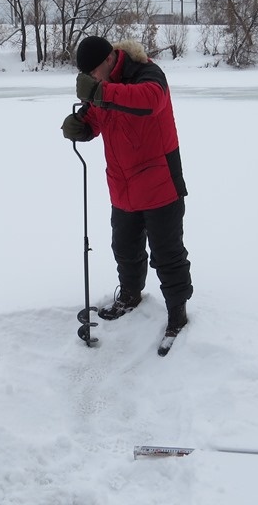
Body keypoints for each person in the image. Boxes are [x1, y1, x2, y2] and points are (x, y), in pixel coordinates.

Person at [61, 36, 193, 356]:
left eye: (93, 72)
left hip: (160, 184)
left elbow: (150, 100)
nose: (91, 79)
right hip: (123, 186)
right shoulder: (104, 86)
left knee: (167, 254)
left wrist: (100, 92)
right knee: (125, 248)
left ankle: (177, 313)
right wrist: (81, 126)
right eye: (86, 76)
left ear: (110, 59)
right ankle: (130, 295)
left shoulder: (146, 73)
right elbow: (97, 116)